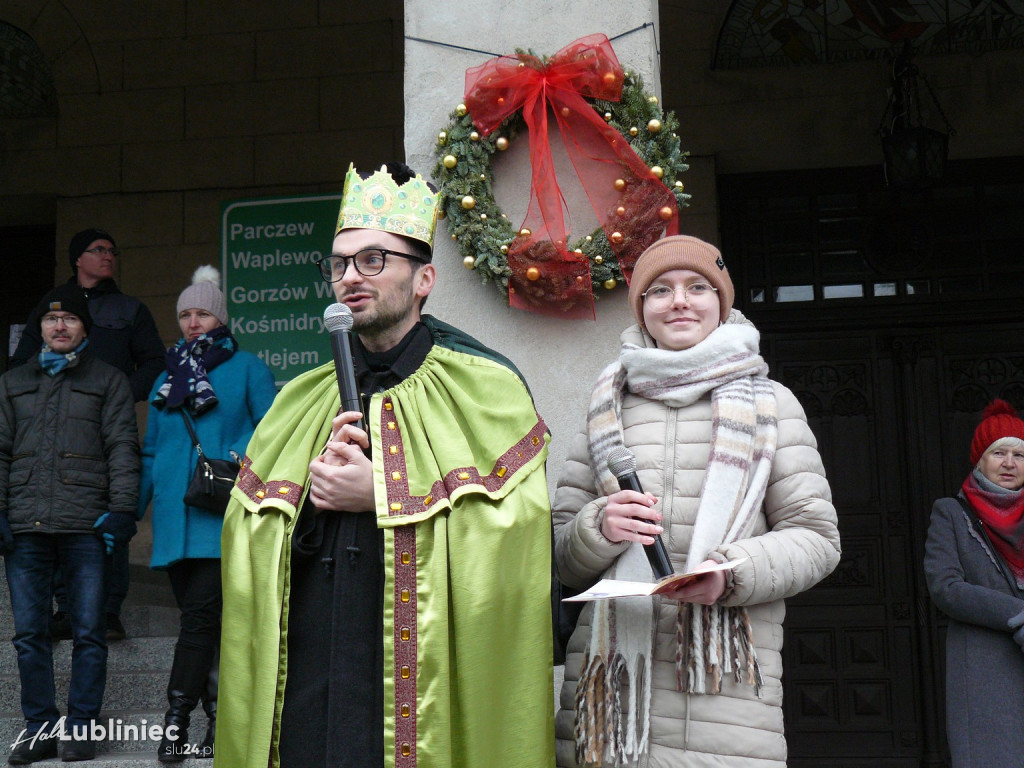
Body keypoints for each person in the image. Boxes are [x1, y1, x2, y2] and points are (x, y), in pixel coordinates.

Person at [214, 162, 554, 768]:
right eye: (340, 263)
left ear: (424, 278)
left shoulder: (485, 389)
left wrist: (384, 496)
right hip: (310, 678)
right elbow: (249, 540)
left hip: (414, 679)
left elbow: (516, 543)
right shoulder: (301, 399)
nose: (350, 276)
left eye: (374, 260)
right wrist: (310, 504)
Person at [552, 235, 841, 767]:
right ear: (642, 309)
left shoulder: (771, 405)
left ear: (721, 302)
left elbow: (817, 538)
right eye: (660, 290)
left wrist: (732, 572)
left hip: (724, 702)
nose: (679, 300)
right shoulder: (604, 407)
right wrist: (600, 527)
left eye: (697, 287)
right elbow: (561, 556)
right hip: (606, 704)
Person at [137, 266, 277, 762]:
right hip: (175, 522)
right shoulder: (165, 378)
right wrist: (130, 511)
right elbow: (152, 452)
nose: (193, 322)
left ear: (219, 317)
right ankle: (219, 723)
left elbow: (272, 429)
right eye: (184, 315)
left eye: (202, 313)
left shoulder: (248, 369)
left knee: (198, 621)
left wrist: (233, 456)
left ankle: (174, 722)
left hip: (221, 513)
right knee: (207, 624)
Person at [0, 284, 139, 764]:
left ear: (85, 328)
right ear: (39, 328)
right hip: (25, 527)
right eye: (50, 320)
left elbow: (123, 447)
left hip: (87, 525)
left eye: (70, 320)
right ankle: (39, 730)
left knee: (89, 632)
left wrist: (122, 510)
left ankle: (80, 728)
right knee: (28, 636)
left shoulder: (109, 380)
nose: (59, 327)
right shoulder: (12, 382)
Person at [11, 228, 165, 643]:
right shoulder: (52, 304)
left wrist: (113, 395)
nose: (109, 257)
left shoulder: (130, 308)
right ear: (78, 258)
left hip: (107, 431)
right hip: (52, 432)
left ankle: (109, 611)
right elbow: (21, 361)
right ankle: (64, 608)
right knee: (57, 512)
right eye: (99, 251)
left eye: (113, 251)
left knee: (111, 512)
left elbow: (154, 364)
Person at [924, 399, 1024, 766]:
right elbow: (945, 588)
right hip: (984, 667)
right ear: (980, 459)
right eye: (999, 453)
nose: (1010, 463)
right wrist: (1017, 614)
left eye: (1019, 454)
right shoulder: (950, 513)